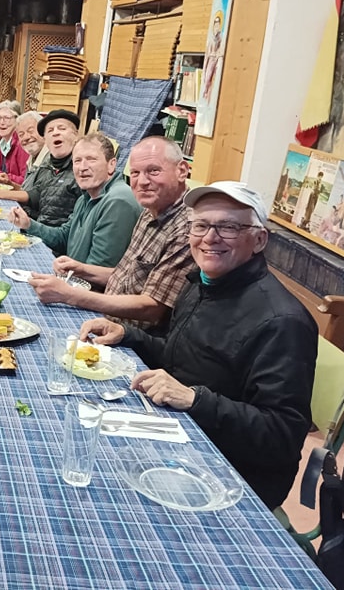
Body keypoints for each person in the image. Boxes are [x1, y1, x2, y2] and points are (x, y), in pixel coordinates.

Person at [81, 182, 317, 509]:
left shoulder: (282, 322)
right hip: (182, 435)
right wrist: (128, 334)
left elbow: (281, 436)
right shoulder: (203, 284)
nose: (209, 237)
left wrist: (194, 399)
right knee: (79, 443)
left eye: (229, 227)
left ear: (259, 239)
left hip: (231, 475)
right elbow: (183, 361)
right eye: (201, 225)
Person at [31, 136, 195, 333]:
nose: (142, 182)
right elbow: (124, 276)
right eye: (135, 172)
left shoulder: (188, 228)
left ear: (182, 171)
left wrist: (68, 295)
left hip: (131, 338)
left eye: (153, 171)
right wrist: (80, 268)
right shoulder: (150, 209)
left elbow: (152, 308)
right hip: (105, 319)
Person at [11, 133, 140, 270]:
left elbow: (97, 270)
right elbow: (64, 238)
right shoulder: (85, 198)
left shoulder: (118, 201)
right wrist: (28, 224)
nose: (82, 167)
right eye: (77, 161)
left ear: (111, 165)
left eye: (91, 159)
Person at [0, 109, 81, 228]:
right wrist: (10, 184)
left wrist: (0, 193)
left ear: (76, 134)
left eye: (61, 128)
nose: (26, 137)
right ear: (46, 137)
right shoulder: (48, 163)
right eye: (21, 134)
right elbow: (35, 194)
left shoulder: (79, 169)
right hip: (38, 227)